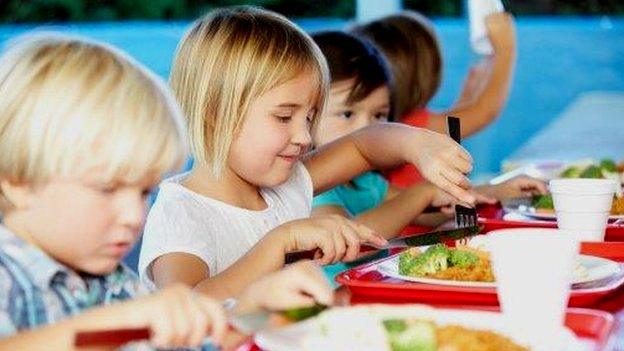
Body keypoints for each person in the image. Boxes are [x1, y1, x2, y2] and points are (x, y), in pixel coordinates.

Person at [0, 32, 333, 351]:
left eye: (144, 192)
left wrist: (258, 311)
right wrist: (118, 322)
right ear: (16, 181)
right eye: (107, 188)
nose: (135, 216)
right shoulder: (8, 279)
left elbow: (194, 346)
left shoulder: (113, 282)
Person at [139, 6, 474, 299]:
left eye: (310, 117)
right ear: (214, 113)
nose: (303, 136)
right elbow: (186, 306)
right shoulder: (181, 213)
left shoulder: (285, 185)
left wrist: (416, 144)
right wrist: (280, 241)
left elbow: (364, 147)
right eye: (284, 117)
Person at [352, 11, 517, 188]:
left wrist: (468, 96)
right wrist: (506, 50)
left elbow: (452, 127)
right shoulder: (408, 127)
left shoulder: (395, 124)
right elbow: (484, 112)